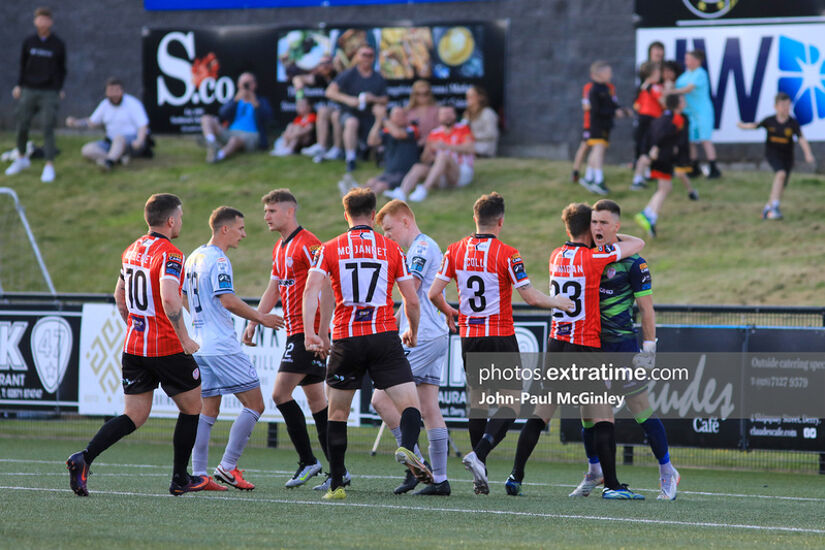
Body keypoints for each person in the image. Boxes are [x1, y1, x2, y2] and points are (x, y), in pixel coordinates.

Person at [427, 192, 575, 494]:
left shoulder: (454, 250)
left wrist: (449, 312)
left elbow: (433, 293)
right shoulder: (508, 253)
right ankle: (479, 455)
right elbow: (532, 298)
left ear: (475, 218)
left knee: (479, 402)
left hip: (470, 337)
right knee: (512, 401)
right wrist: (558, 301)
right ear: (501, 221)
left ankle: (478, 475)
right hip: (499, 335)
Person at [66, 194, 208, 497]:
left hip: (134, 347)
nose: (181, 222)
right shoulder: (170, 254)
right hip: (166, 346)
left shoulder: (131, 249)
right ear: (170, 220)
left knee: (134, 415)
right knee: (193, 406)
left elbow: (120, 296)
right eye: (180, 217)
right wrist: (185, 338)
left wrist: (135, 326)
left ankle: (84, 458)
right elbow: (171, 299)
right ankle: (180, 479)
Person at [505, 202, 646, 500]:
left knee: (541, 412)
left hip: (557, 343)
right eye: (595, 223)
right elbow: (639, 243)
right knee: (604, 416)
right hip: (584, 345)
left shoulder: (556, 255)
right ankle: (612, 485)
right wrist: (610, 235)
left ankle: (516, 475)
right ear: (588, 228)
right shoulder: (595, 258)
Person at [302, 188, 433, 500]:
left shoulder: (329, 247)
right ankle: (407, 447)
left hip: (347, 339)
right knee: (410, 405)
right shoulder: (391, 248)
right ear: (374, 216)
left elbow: (311, 291)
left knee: (337, 414)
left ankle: (335, 485)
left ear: (345, 214)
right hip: (384, 337)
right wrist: (411, 329)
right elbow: (411, 300)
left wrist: (311, 333)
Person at [567, 199, 678, 501]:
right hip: (591, 347)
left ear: (616, 226)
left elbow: (646, 308)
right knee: (588, 413)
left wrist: (650, 348)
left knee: (640, 409)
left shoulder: (634, 263)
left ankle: (668, 472)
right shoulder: (585, 255)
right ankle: (593, 471)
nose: (597, 228)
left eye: (604, 223)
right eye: (594, 222)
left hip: (622, 349)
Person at [242, 189, 338, 491]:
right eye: (266, 211)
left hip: (305, 335)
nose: (266, 216)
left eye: (272, 211)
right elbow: (273, 288)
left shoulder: (309, 244)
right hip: (296, 332)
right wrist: (255, 320)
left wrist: (320, 332)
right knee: (317, 402)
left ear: (290, 211)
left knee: (280, 394)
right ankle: (339, 470)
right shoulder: (280, 247)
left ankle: (309, 460)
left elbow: (327, 287)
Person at [184, 207, 283, 491]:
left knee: (208, 410)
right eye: (240, 228)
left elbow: (181, 295)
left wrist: (199, 322)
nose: (244, 234)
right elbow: (227, 300)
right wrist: (261, 317)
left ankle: (200, 474)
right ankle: (227, 467)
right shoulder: (219, 260)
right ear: (224, 229)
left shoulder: (194, 256)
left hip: (200, 345)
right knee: (255, 405)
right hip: (222, 346)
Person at [370, 200, 452, 496]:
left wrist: (400, 328)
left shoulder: (420, 248)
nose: (387, 235)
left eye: (389, 228)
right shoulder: (422, 247)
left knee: (380, 399)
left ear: (406, 221)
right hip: (434, 335)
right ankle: (439, 479)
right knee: (429, 408)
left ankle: (415, 466)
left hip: (423, 337)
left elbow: (412, 288)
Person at [6, 6, 66, 183]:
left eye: (46, 19)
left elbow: (62, 69)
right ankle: (21, 157)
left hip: (49, 91)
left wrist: (58, 88)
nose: (43, 22)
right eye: (39, 19)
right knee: (22, 123)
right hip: (28, 89)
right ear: (35, 21)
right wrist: (19, 85)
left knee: (48, 126)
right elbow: (23, 66)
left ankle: (49, 165)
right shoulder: (29, 41)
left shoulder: (58, 44)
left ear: (51, 22)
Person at [737, 92, 815, 220]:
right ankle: (774, 208)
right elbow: (754, 125)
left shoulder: (793, 123)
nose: (785, 108)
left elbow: (801, 139)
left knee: (782, 185)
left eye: (787, 106)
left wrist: (808, 154)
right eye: (782, 105)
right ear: (776, 107)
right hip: (773, 154)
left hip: (787, 157)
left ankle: (768, 208)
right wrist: (742, 126)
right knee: (781, 174)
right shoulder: (770, 121)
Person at [325, 45, 388, 172]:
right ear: (358, 56)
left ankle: (378, 154)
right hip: (349, 112)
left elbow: (385, 99)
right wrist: (348, 99)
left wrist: (373, 98)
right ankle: (351, 158)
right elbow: (330, 92)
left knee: (381, 117)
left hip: (369, 114)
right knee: (352, 122)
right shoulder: (349, 74)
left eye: (370, 55)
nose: (367, 58)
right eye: (364, 55)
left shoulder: (378, 77)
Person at [634, 94, 690, 237]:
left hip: (662, 158)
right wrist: (657, 147)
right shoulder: (677, 119)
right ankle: (649, 216)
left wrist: (650, 149)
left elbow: (652, 134)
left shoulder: (662, 117)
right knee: (664, 189)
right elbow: (664, 135)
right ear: (678, 104)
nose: (685, 102)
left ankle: (648, 214)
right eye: (683, 100)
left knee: (665, 188)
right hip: (664, 157)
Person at [393, 106, 475, 203]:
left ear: (455, 115)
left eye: (449, 114)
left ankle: (424, 189)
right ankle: (402, 193)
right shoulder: (434, 133)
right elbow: (424, 160)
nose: (447, 117)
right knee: (418, 167)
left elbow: (471, 148)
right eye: (444, 114)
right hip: (441, 174)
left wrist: (446, 147)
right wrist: (429, 152)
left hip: (460, 173)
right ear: (439, 117)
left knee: (443, 156)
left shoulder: (463, 129)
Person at [65, 77, 149, 171]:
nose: (114, 94)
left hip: (131, 143)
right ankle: (116, 159)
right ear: (106, 93)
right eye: (111, 91)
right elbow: (92, 122)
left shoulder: (133, 103)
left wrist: (140, 141)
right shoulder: (104, 105)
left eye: (117, 90)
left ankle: (108, 163)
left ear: (122, 91)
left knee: (119, 138)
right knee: (87, 150)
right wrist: (75, 122)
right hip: (110, 142)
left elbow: (143, 125)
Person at [669, 49, 721, 179]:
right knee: (691, 141)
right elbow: (675, 85)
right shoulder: (685, 75)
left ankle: (713, 168)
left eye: (689, 59)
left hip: (702, 112)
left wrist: (671, 92)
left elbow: (688, 89)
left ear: (697, 61)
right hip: (689, 113)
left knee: (705, 140)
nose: (686, 62)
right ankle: (694, 168)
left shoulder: (700, 74)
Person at [580, 61, 630, 195]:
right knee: (598, 150)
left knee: (597, 151)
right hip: (597, 125)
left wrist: (621, 110)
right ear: (599, 74)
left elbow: (612, 104)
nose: (610, 75)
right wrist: (613, 113)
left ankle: (589, 178)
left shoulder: (607, 88)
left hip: (605, 125)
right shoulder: (594, 90)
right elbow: (596, 110)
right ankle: (598, 181)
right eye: (608, 72)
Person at [201, 72, 272, 163]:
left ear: (254, 85)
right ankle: (212, 143)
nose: (247, 86)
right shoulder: (235, 100)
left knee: (234, 141)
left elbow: (268, 118)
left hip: (250, 135)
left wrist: (255, 104)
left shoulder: (261, 101)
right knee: (206, 119)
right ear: (239, 85)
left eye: (249, 83)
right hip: (231, 132)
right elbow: (222, 113)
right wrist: (235, 101)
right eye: (244, 83)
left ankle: (218, 156)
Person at [293, 56, 344, 162]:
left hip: (344, 109)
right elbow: (298, 78)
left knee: (335, 115)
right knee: (322, 110)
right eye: (322, 64)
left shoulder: (339, 75)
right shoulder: (319, 78)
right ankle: (322, 147)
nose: (325, 66)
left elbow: (343, 76)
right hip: (329, 110)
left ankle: (337, 149)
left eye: (327, 63)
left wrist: (339, 66)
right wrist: (299, 91)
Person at [364, 105, 420, 196]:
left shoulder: (412, 129)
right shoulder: (387, 131)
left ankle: (364, 201)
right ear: (391, 118)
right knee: (370, 182)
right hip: (389, 172)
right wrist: (378, 120)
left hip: (405, 173)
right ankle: (353, 197)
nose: (400, 117)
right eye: (397, 115)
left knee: (380, 186)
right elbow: (372, 141)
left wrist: (383, 118)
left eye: (402, 115)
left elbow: (398, 134)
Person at [631, 62, 663, 181]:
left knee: (644, 148)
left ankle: (644, 175)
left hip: (642, 120)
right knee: (648, 149)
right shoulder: (654, 87)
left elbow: (637, 106)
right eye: (658, 71)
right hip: (651, 120)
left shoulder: (642, 87)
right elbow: (663, 102)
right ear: (653, 73)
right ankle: (638, 179)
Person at [463, 85, 499, 157]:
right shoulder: (467, 114)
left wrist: (472, 136)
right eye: (467, 96)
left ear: (480, 97)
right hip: (469, 145)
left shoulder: (488, 112)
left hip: (484, 148)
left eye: (471, 96)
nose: (468, 99)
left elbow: (492, 134)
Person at [405, 79, 440, 146]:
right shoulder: (407, 111)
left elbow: (440, 131)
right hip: (410, 146)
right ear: (413, 95)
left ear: (430, 94)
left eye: (425, 94)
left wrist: (425, 141)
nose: (422, 96)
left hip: (431, 146)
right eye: (418, 94)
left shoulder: (437, 111)